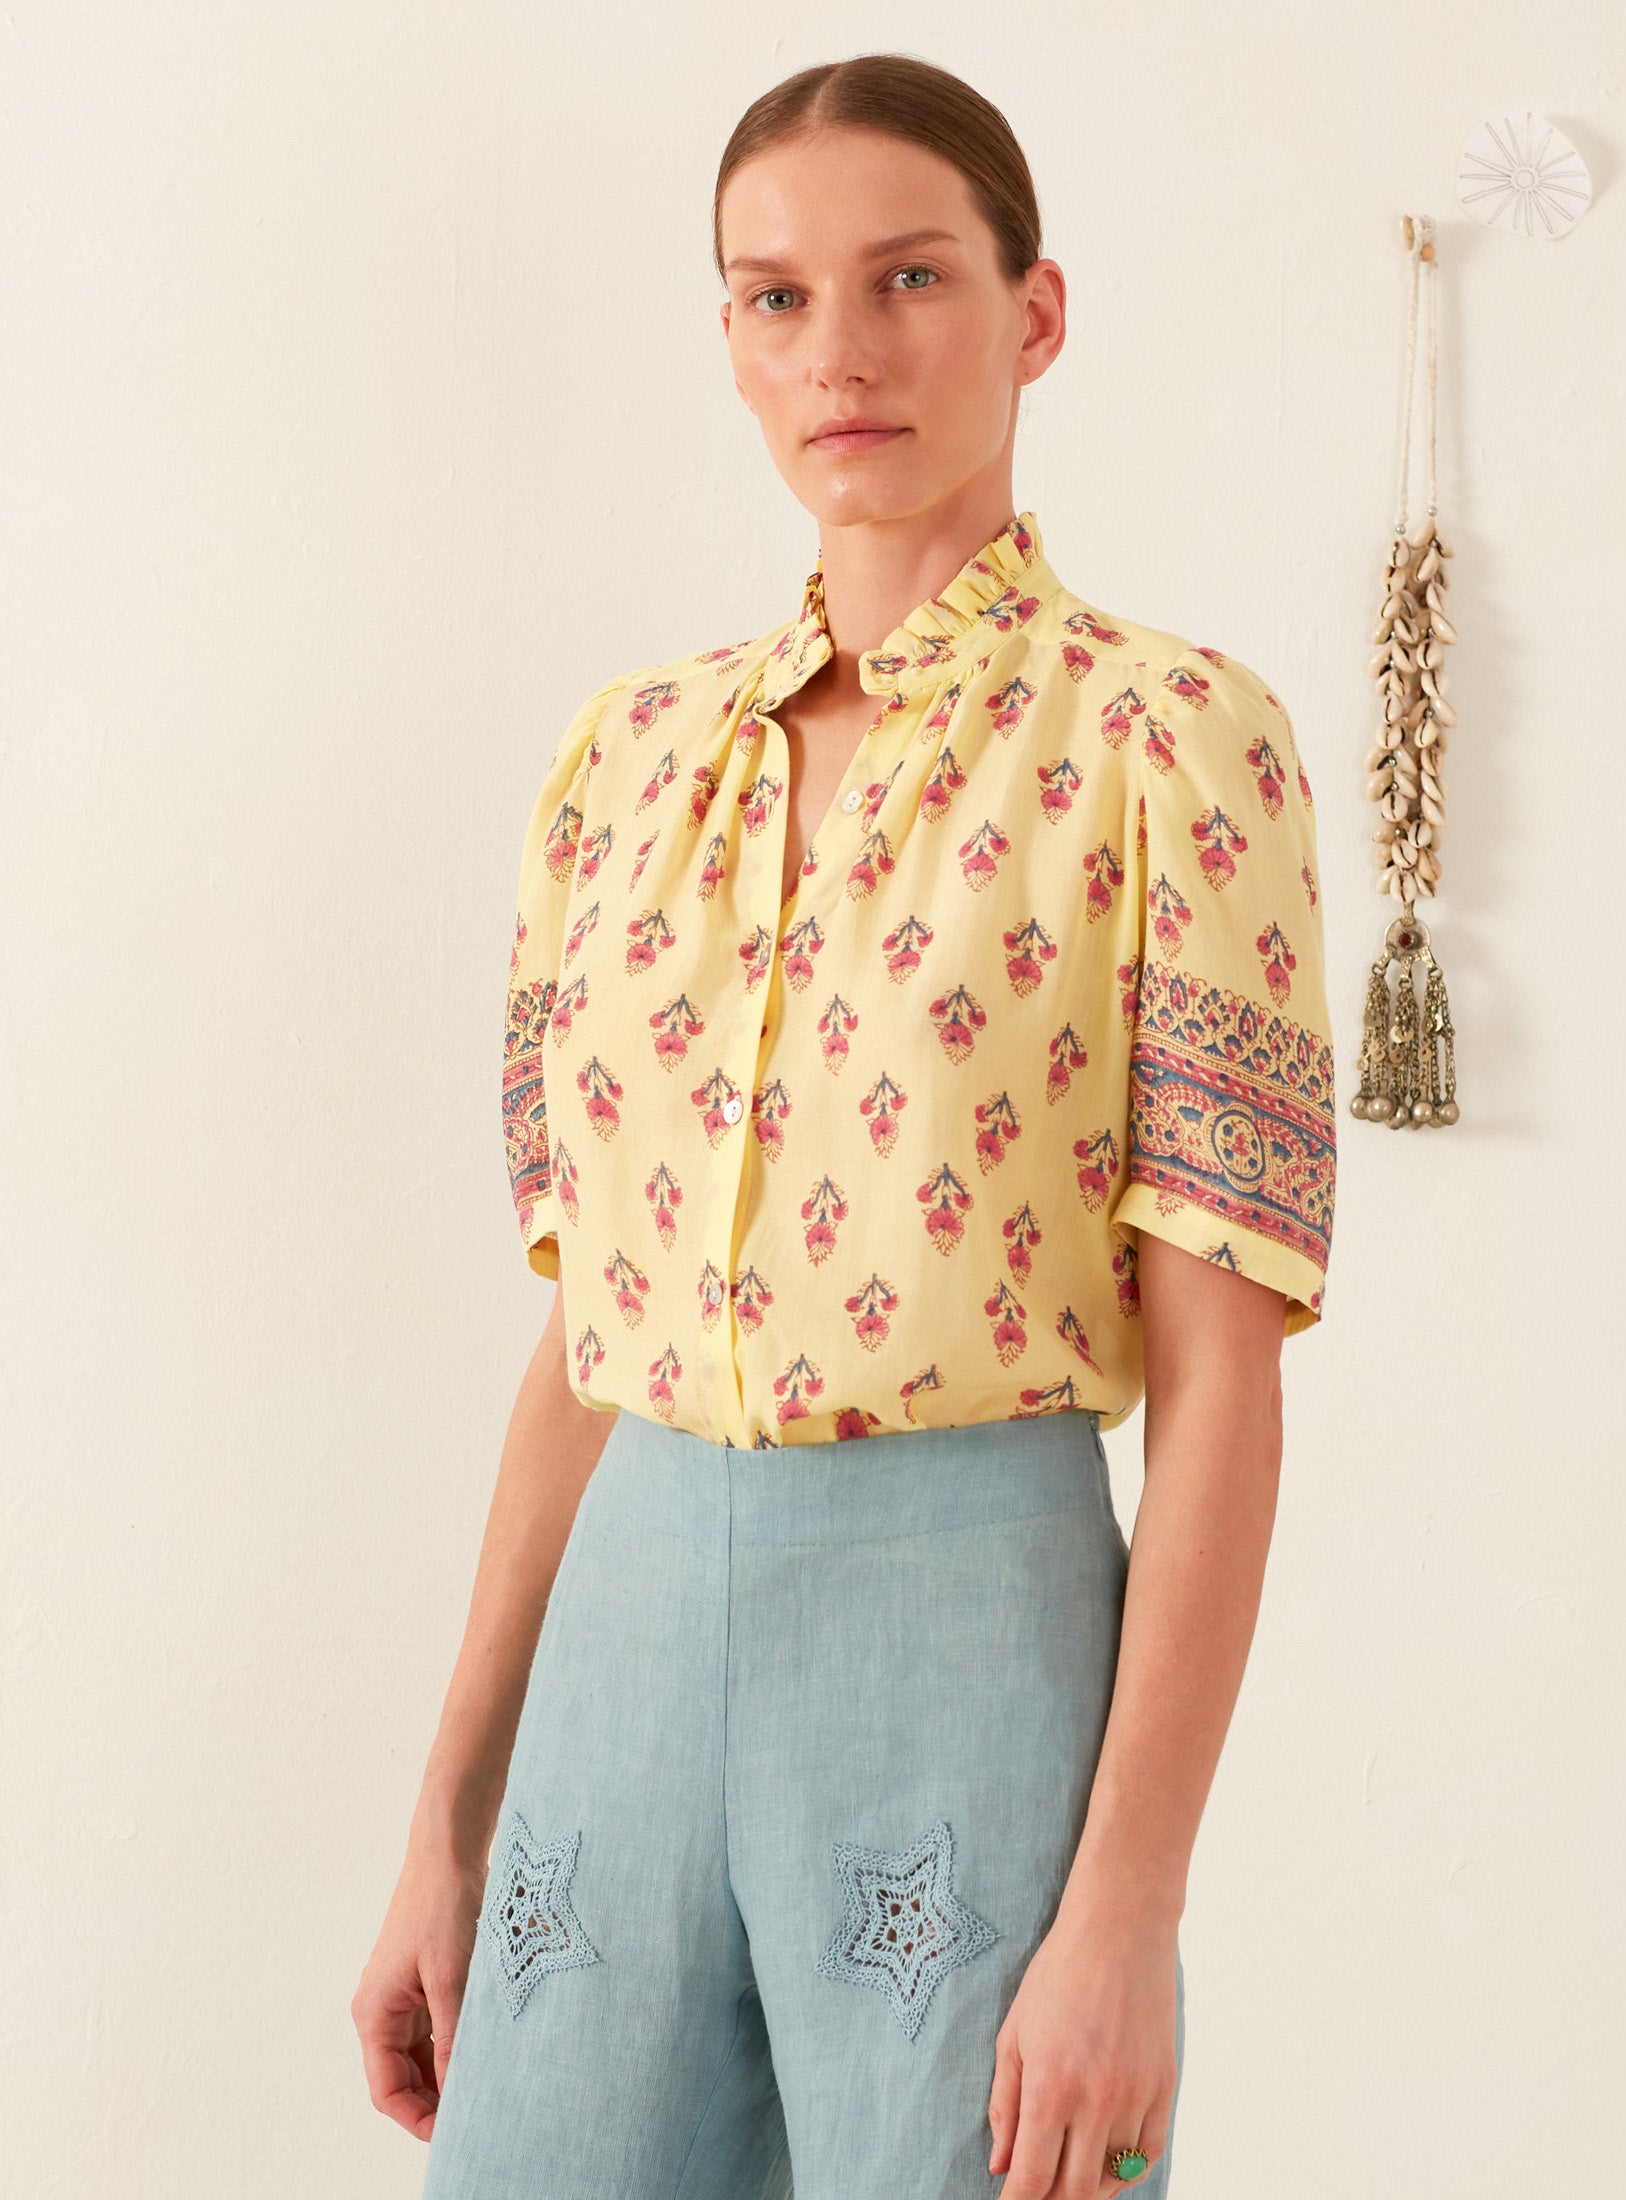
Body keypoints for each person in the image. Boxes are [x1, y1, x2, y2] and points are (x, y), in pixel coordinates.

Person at [353, 53, 1337, 2200]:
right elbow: (581, 1338)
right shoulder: (623, 762)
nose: (842, 351)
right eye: (774, 297)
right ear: (726, 337)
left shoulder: (1169, 742)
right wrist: (448, 1810)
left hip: (961, 1618)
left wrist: (1129, 1910)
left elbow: (1220, 1386)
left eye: (907, 278)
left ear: (1034, 311)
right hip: (620, 1642)